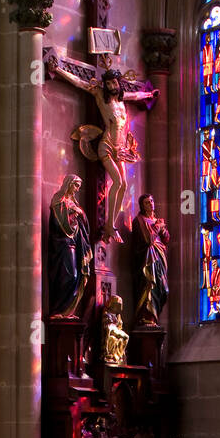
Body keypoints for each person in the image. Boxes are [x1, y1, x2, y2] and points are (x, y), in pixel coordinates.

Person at [47, 54, 158, 243]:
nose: (112, 86)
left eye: (115, 83)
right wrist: (58, 70)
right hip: (106, 146)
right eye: (109, 84)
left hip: (120, 148)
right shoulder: (100, 96)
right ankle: (109, 225)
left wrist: (148, 94)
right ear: (104, 85)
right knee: (117, 182)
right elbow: (80, 83)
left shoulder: (122, 100)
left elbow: (136, 94)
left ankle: (110, 225)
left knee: (122, 185)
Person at [47, 175, 93, 318]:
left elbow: (84, 223)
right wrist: (72, 213)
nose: (77, 189)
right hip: (62, 244)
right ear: (68, 184)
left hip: (74, 244)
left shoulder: (74, 203)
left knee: (76, 276)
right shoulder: (58, 199)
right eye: (76, 185)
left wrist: (79, 213)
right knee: (69, 276)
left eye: (79, 186)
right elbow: (58, 224)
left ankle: (67, 311)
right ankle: (59, 310)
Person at [133, 193, 170, 327]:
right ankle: (147, 317)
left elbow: (166, 240)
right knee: (150, 286)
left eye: (152, 201)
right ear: (142, 206)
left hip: (159, 257)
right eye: (147, 202)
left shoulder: (156, 220)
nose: (151, 204)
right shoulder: (139, 220)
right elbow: (147, 240)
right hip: (148, 260)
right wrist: (158, 227)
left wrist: (163, 229)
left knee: (163, 289)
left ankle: (154, 317)